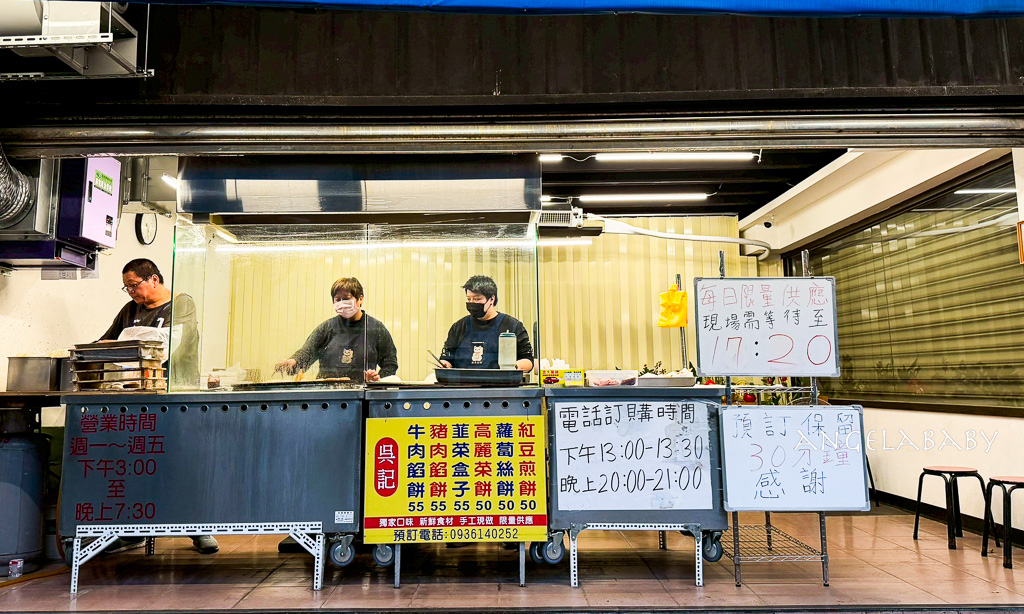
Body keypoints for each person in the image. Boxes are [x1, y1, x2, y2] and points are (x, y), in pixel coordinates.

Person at [99, 258, 217, 555]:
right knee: (139, 465)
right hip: (137, 400)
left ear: (154, 279)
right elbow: (108, 342)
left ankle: (198, 528)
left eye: (134, 286)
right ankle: (133, 530)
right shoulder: (130, 310)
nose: (131, 293)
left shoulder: (181, 305)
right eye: (126, 288)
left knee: (183, 463)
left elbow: (166, 348)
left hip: (174, 395)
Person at [275, 277, 398, 383]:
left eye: (346, 298)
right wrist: (293, 362)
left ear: (360, 299)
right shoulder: (327, 328)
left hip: (362, 395)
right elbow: (308, 352)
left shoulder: (376, 328)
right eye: (337, 300)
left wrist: (377, 381)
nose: (342, 303)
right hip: (328, 396)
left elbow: (390, 363)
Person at [439, 275, 534, 372]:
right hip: (463, 385)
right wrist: (445, 364)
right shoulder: (459, 326)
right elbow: (447, 357)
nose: (472, 303)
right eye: (468, 299)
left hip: (500, 385)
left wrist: (511, 368)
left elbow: (528, 361)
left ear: (491, 299)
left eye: (477, 299)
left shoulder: (513, 325)